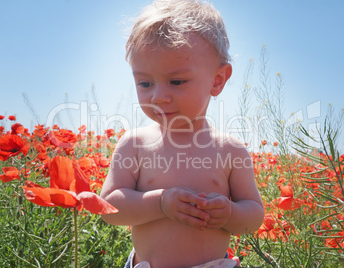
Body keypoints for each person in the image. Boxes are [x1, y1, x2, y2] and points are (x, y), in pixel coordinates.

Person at [100, 0, 264, 267]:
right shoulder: (135, 144)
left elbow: (254, 215)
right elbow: (110, 208)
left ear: (217, 80)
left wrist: (231, 213)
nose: (158, 96)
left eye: (176, 82)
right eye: (145, 83)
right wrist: (161, 203)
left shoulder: (230, 150)